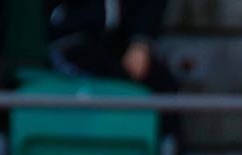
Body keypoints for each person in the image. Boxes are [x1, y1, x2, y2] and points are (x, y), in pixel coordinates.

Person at [47, 0, 180, 93]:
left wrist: (140, 42)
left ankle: (166, 134)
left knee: (164, 84)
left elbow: (149, 8)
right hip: (71, 42)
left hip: (118, 44)